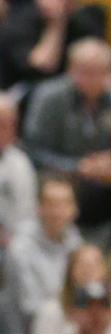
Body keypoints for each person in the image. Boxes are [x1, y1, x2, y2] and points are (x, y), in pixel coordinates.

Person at [20, 40, 111, 242]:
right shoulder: (50, 97)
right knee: (58, 190)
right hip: (57, 174)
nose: (94, 79)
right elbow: (32, 149)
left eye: (101, 72)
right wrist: (77, 167)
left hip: (101, 177)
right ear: (71, 70)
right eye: (86, 71)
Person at [6, 172, 81, 328]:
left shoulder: (75, 241)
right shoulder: (20, 249)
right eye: (52, 204)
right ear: (39, 208)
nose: (59, 212)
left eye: (65, 203)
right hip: (32, 331)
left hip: (72, 322)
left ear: (74, 209)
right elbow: (30, 308)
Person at [0, 95, 38, 244]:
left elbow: (26, 215)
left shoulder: (20, 162)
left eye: (11, 124)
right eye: (1, 124)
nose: (6, 130)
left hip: (13, 244)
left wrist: (13, 240)